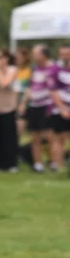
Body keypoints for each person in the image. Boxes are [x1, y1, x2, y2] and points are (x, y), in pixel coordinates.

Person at [23, 44, 58, 173]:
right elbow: (30, 87)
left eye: (35, 54)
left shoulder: (54, 68)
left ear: (43, 55)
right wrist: (23, 103)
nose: (33, 56)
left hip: (47, 106)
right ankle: (38, 164)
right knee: (35, 136)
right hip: (34, 106)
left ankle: (54, 162)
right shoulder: (34, 69)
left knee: (49, 136)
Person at [0, 48, 21, 171]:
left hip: (8, 108)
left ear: (6, 59)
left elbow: (4, 83)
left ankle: (11, 164)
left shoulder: (12, 70)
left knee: (9, 138)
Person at [49, 44, 70, 172]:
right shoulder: (55, 70)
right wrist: (62, 109)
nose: (65, 57)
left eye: (68, 54)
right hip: (59, 110)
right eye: (63, 54)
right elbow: (53, 91)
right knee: (58, 138)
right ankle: (57, 165)